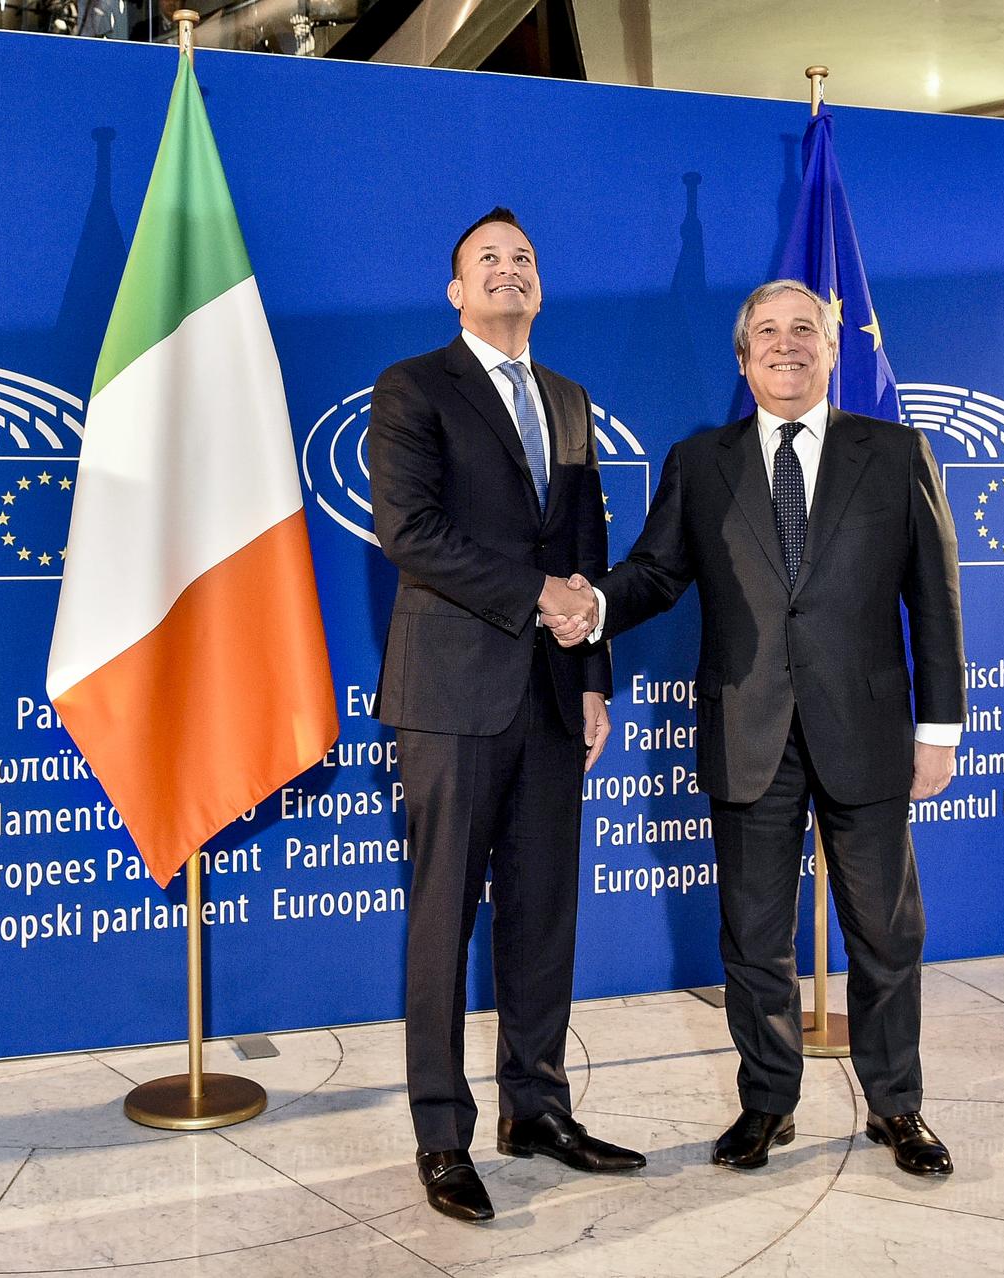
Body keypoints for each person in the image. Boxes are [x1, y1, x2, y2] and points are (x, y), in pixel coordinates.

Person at [570, 279, 964, 1176]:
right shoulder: (700, 462)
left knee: (886, 932)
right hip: (748, 732)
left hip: (866, 733)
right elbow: (655, 575)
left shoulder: (897, 453)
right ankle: (767, 1105)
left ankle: (896, 1108)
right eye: (767, 334)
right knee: (753, 936)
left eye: (804, 331)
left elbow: (934, 603)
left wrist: (939, 729)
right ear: (743, 359)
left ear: (832, 351)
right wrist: (590, 603)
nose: (786, 346)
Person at [368, 208, 643, 1225]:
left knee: (544, 912)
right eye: (488, 260)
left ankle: (538, 1107)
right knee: (444, 918)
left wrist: (595, 676)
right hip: (450, 694)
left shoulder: (567, 400)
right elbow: (411, 532)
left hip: (550, 696)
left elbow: (586, 545)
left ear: (542, 285)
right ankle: (443, 1136)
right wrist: (536, 598)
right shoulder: (413, 388)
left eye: (524, 258)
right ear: (455, 291)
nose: (509, 270)